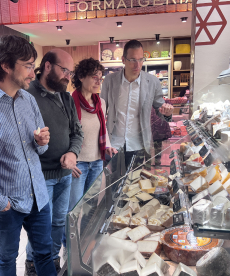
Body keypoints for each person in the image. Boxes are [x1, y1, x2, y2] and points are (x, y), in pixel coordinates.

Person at [0, 35, 56, 276]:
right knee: (7, 257)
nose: (33, 73)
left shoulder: (28, 99)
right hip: (7, 202)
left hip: (38, 195)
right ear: (6, 66)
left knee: (44, 252)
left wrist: (41, 142)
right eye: (28, 66)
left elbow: (41, 149)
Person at [25, 49, 84, 275]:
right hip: (40, 176)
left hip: (64, 174)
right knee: (41, 227)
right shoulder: (27, 95)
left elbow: (77, 133)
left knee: (59, 222)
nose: (68, 76)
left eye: (70, 72)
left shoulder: (65, 97)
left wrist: (73, 154)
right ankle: (33, 264)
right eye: (64, 70)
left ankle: (52, 261)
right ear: (47, 66)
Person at [64, 58, 118, 246]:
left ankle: (84, 242)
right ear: (80, 77)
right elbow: (65, 136)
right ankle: (69, 247)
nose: (98, 81)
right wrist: (68, 163)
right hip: (78, 164)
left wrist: (108, 145)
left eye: (100, 78)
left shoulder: (100, 102)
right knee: (74, 208)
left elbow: (102, 130)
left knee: (91, 206)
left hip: (96, 162)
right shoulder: (69, 101)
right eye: (94, 77)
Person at [101, 40, 174, 170]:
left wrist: (167, 113)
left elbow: (160, 107)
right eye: (133, 60)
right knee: (111, 186)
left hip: (139, 145)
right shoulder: (110, 80)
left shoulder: (152, 82)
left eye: (141, 60)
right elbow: (101, 110)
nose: (137, 65)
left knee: (134, 186)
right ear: (123, 59)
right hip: (113, 144)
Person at [145, 101, 172, 170]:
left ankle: (157, 163)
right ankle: (148, 164)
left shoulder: (160, 102)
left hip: (159, 129)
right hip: (148, 129)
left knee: (157, 148)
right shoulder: (145, 102)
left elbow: (166, 116)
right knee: (147, 147)